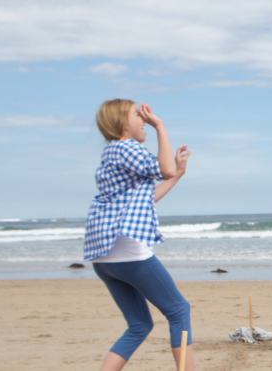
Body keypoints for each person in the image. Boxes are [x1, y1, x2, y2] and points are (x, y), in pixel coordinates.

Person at [84, 99, 193, 371]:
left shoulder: (112, 152)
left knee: (139, 325)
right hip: (128, 252)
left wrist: (177, 176)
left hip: (104, 258)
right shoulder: (127, 146)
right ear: (123, 124)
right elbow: (164, 168)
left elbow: (147, 197)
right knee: (179, 311)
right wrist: (160, 126)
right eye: (138, 114)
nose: (145, 117)